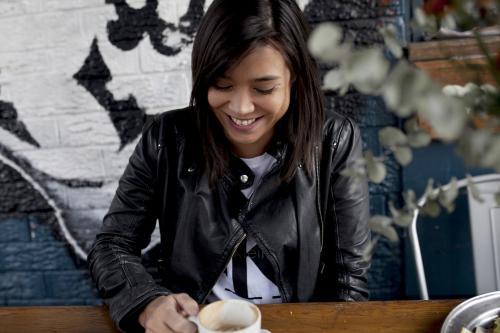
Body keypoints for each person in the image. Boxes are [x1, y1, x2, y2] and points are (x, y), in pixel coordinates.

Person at [88, 0, 371, 332]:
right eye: (222, 85)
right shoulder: (167, 139)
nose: (240, 107)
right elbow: (112, 245)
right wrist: (146, 302)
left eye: (263, 88)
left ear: (295, 77)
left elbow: (349, 278)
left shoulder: (333, 141)